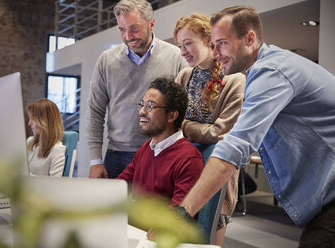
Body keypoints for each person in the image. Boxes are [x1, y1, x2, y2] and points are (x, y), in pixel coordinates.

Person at [179, 6, 335, 247]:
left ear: (250, 38)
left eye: (221, 43)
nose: (216, 52)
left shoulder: (271, 71)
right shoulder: (261, 71)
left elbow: (236, 145)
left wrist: (184, 211)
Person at [86, 0, 188, 179]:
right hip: (116, 155)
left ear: (151, 23)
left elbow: (184, 110)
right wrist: (95, 161)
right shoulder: (106, 60)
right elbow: (95, 110)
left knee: (154, 208)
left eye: (134, 28)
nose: (128, 36)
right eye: (122, 30)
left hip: (160, 153)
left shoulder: (176, 58)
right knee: (113, 208)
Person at [174, 13, 245, 246]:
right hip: (183, 169)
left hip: (215, 170)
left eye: (188, 43)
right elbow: (171, 122)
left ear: (207, 40)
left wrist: (183, 126)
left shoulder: (235, 79)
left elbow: (221, 133)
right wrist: (198, 129)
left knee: (207, 240)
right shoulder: (184, 76)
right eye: (179, 45)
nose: (183, 51)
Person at [117, 78, 204, 206]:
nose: (142, 111)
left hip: (154, 226)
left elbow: (179, 216)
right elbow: (119, 187)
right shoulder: (146, 149)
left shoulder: (189, 158)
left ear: (171, 116)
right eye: (142, 104)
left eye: (150, 106)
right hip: (132, 224)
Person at [26, 98, 65, 177]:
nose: (29, 123)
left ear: (44, 121)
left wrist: (26, 176)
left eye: (33, 119)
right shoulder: (30, 142)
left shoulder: (57, 149)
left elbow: (54, 184)